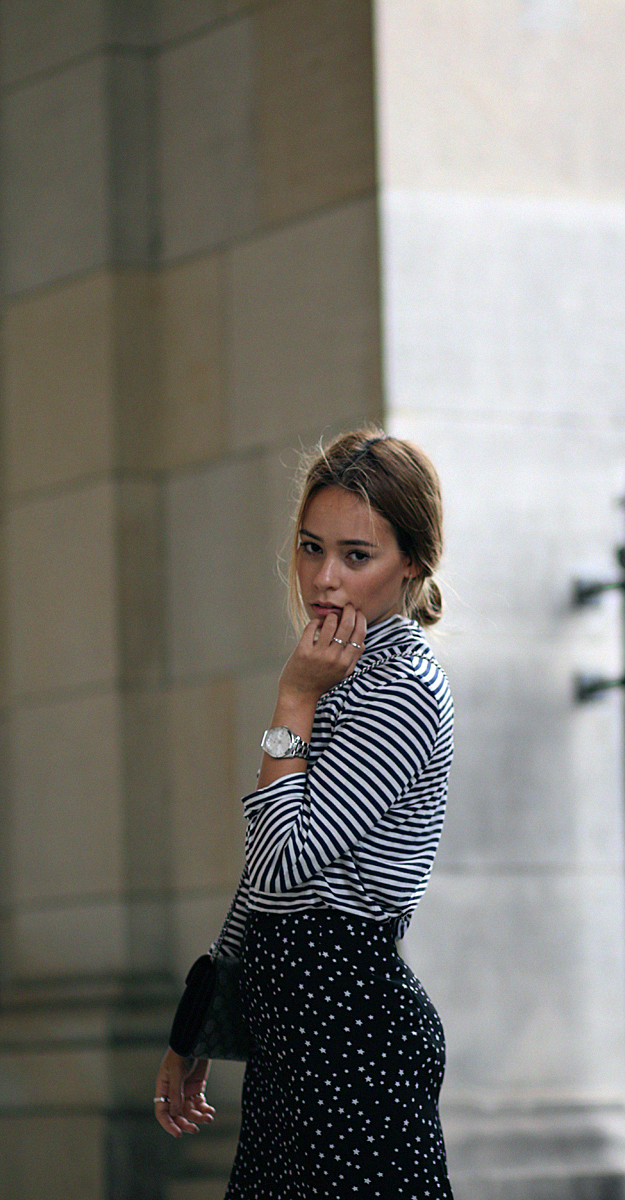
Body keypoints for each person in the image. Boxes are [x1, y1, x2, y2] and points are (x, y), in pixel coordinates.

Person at [154, 428, 455, 1198]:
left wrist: (291, 700)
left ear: (411, 562)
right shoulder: (340, 671)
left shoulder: (402, 688)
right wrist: (198, 1026)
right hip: (295, 1039)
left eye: (357, 555)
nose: (324, 578)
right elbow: (263, 883)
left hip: (353, 1043)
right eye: (311, 547)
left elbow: (280, 866)